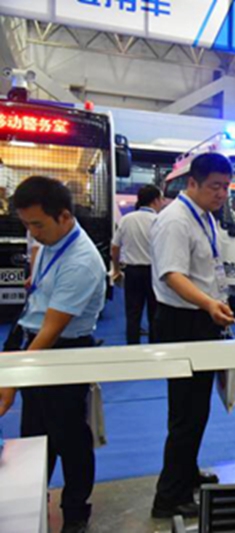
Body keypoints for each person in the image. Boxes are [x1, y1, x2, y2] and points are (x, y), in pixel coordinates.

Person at [0, 176, 107, 533]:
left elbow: (51, 330)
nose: (32, 233)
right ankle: (31, 501)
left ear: (64, 216)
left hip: (63, 351)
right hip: (33, 339)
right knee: (34, 433)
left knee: (69, 437)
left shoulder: (82, 262)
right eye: (27, 224)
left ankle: (75, 513)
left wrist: (13, 380)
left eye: (37, 225)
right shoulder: (53, 237)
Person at [150, 153, 235, 519]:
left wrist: (214, 304)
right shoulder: (175, 220)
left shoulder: (205, 216)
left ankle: (186, 472)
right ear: (192, 183)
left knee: (197, 410)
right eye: (215, 186)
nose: (222, 194)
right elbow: (173, 275)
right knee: (185, 414)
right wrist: (208, 304)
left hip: (203, 318)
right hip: (182, 322)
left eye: (226, 187)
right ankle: (169, 497)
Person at [111, 185, 164, 344]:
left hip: (132, 272)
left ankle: (132, 348)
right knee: (154, 313)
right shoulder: (159, 220)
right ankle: (154, 348)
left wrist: (116, 269)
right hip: (154, 273)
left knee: (133, 314)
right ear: (155, 200)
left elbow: (115, 247)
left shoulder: (126, 219)